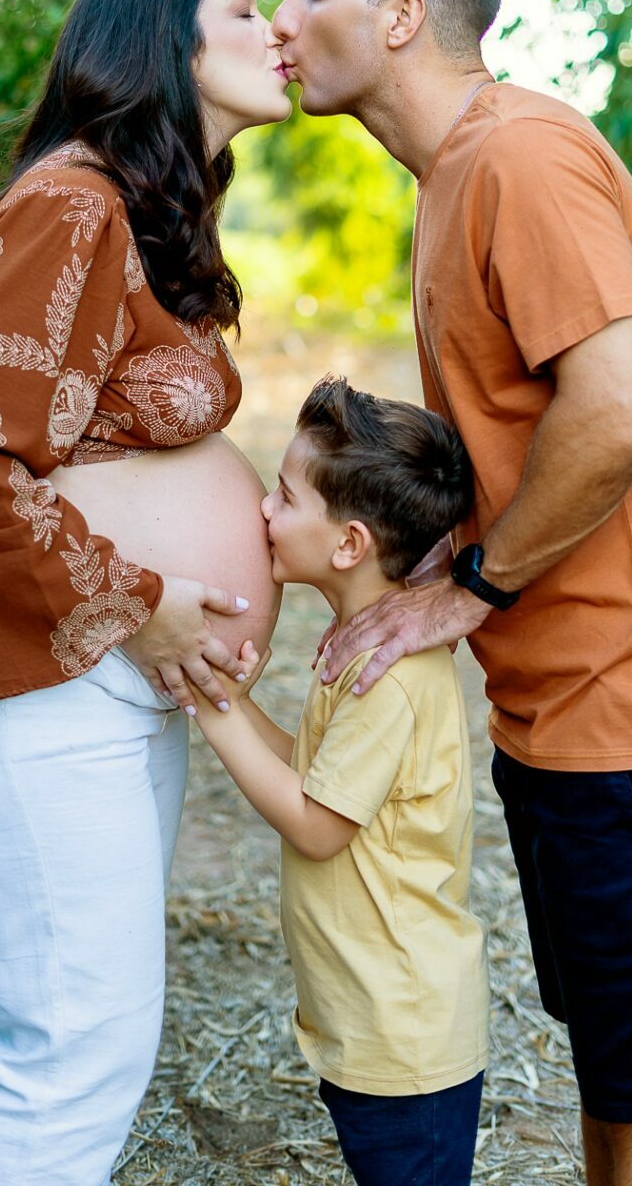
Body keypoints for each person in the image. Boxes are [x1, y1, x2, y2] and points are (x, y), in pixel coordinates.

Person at [270, 0, 632, 1186]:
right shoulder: (452, 176)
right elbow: (529, 428)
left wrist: (471, 589)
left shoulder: (516, 158)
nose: (283, 15)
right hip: (570, 710)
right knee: (620, 1069)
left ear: (400, 15)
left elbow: (618, 412)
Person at [0, 0, 291, 1185]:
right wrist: (138, 603)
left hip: (89, 674)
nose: (275, 28)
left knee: (87, 1036)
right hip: (33, 664)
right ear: (165, 41)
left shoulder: (132, 209)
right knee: (70, 1048)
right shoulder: (74, 201)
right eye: (244, 6)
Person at [188, 376, 489, 1186]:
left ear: (349, 544)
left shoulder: (389, 678)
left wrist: (213, 712)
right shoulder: (362, 642)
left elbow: (318, 825)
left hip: (403, 1037)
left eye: (284, 497)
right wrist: (232, 702)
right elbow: (316, 778)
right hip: (369, 1019)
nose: (263, 511)